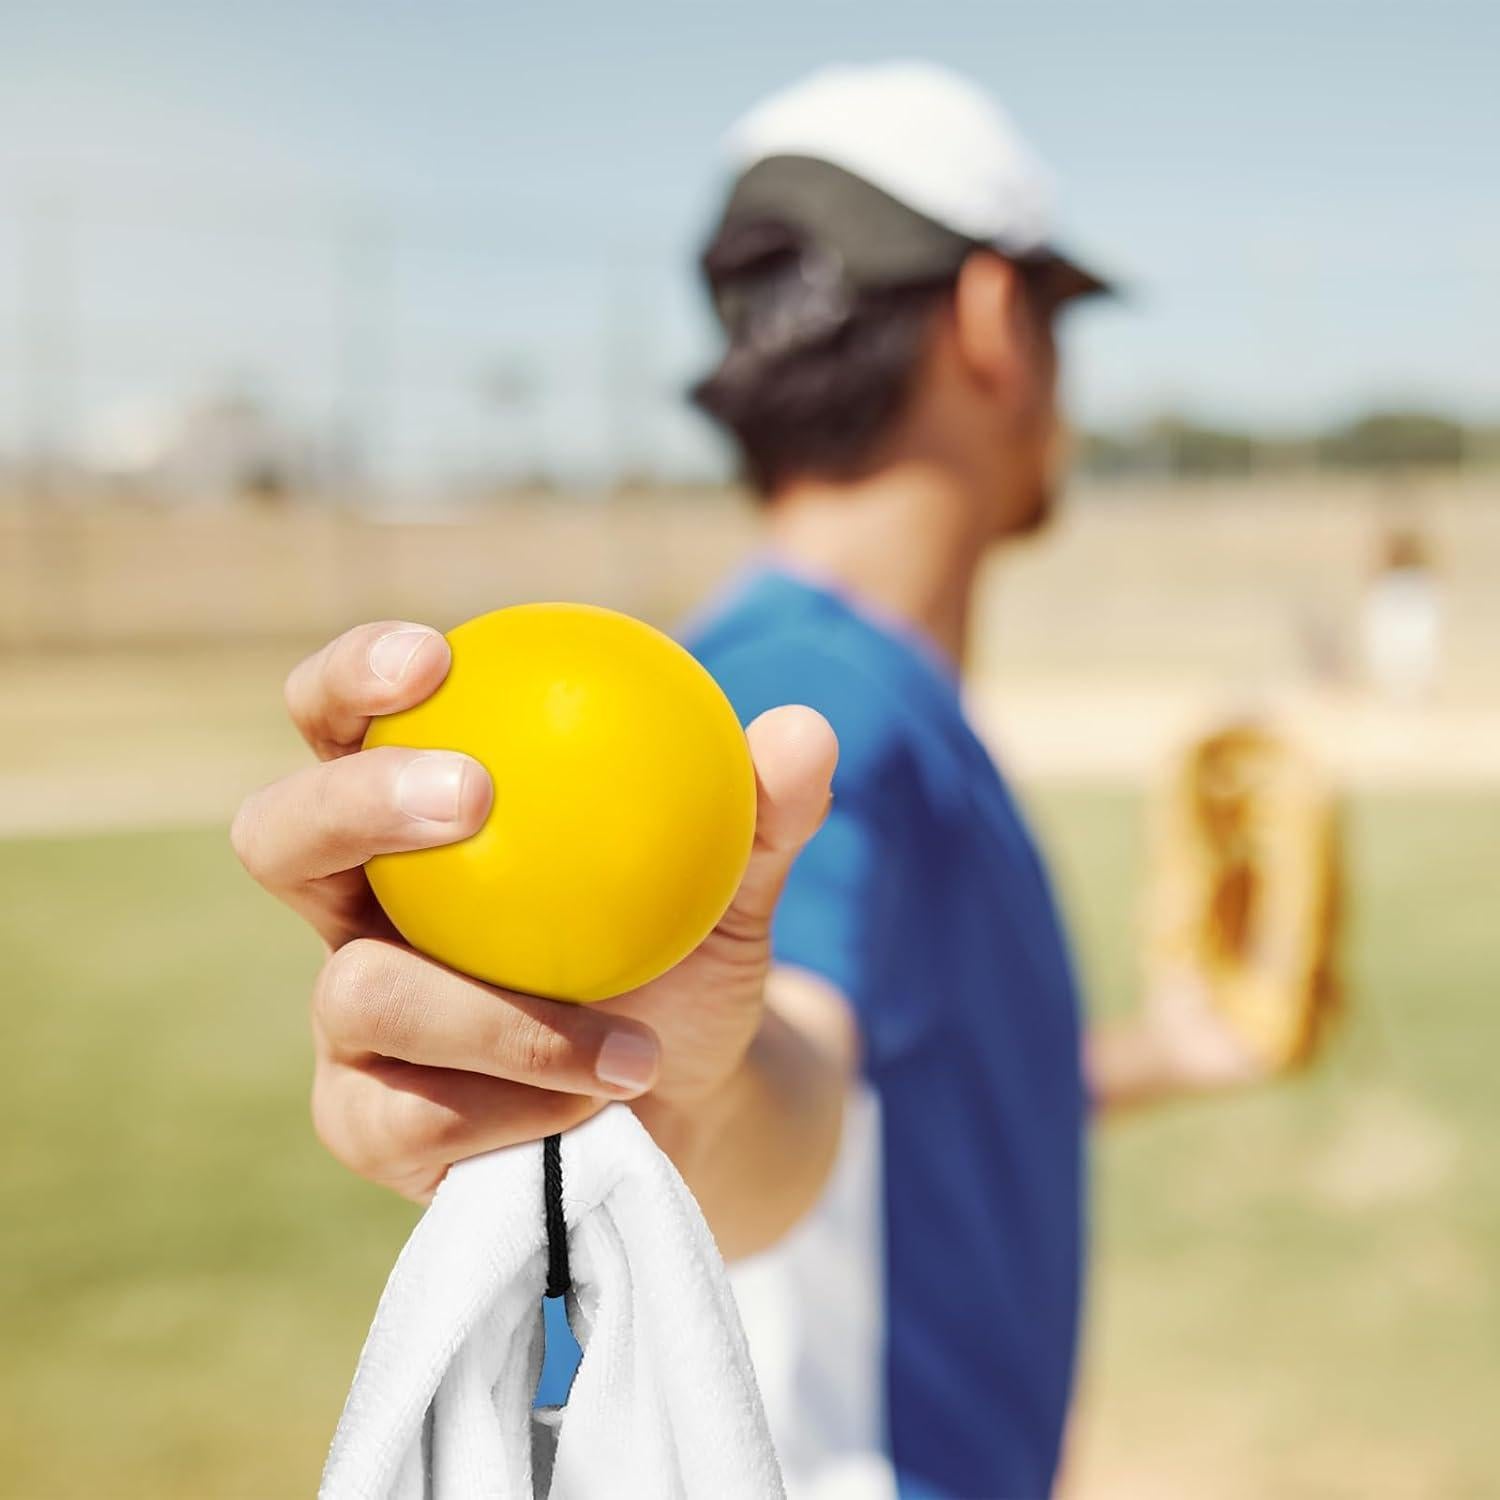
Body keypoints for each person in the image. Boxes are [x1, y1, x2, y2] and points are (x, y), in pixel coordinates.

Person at [233, 62, 1262, 1500]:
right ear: (989, 323)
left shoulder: (781, 676)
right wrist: (673, 1104)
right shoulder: (823, 716)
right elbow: (774, 1079)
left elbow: (908, 1089)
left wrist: (1177, 1051)